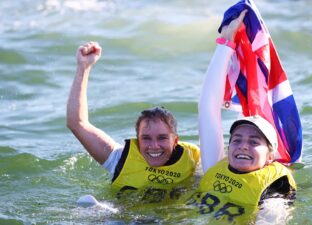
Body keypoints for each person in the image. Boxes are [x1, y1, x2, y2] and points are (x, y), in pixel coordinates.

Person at [187, 10, 297, 223]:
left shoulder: (274, 190)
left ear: (270, 156)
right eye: (236, 140)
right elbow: (207, 109)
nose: (243, 146)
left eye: (254, 141)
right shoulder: (216, 166)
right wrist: (225, 42)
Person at [67, 42, 200, 203]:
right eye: (146, 138)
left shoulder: (194, 163)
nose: (154, 146)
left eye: (162, 138)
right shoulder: (119, 159)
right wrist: (83, 68)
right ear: (137, 140)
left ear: (176, 141)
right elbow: (77, 123)